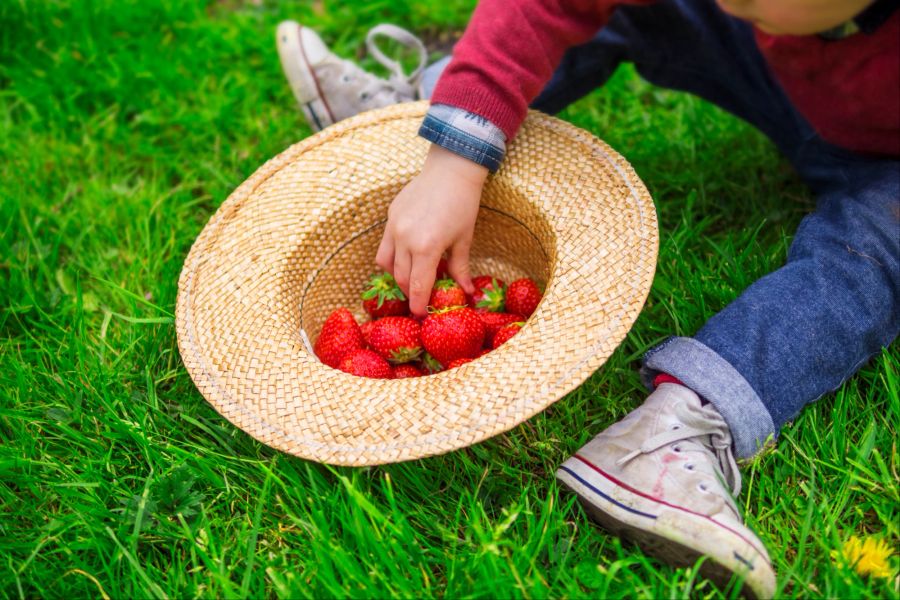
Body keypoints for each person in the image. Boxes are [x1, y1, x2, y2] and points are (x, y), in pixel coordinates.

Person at [275, 1, 899, 596]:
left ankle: (676, 430)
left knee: (881, 245)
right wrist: (452, 160)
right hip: (783, 72)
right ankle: (419, 120)